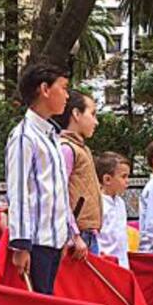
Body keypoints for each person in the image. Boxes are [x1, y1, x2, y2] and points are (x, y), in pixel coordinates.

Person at [4, 58, 87, 294]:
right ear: (44, 89)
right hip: (36, 242)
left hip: (54, 240)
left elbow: (57, 191)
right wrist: (21, 244)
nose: (67, 95)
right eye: (63, 87)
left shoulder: (52, 136)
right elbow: (18, 191)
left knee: (49, 299)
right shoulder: (24, 137)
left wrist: (69, 233)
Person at [53, 90, 103, 254]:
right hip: (77, 237)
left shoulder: (81, 149)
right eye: (92, 114)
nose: (96, 122)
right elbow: (59, 194)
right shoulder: (66, 149)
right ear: (76, 113)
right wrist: (74, 234)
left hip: (87, 234)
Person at [96, 151, 131, 267]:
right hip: (105, 261)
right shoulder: (98, 203)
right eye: (123, 176)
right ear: (107, 179)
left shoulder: (120, 203)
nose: (127, 181)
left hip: (122, 261)